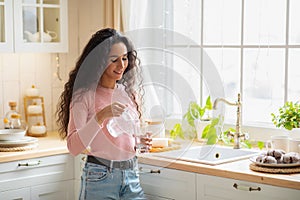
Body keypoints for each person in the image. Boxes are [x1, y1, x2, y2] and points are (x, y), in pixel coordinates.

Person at [56, 28, 151, 200]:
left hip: (131, 174)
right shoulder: (84, 96)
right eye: (114, 60)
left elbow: (122, 137)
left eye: (124, 58)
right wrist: (100, 116)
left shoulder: (129, 94)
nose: (121, 65)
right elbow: (73, 147)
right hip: (100, 178)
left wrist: (139, 141)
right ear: (98, 61)